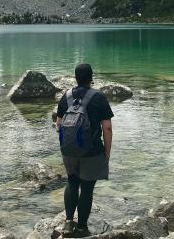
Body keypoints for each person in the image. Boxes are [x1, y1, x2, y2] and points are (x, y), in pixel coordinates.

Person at [55, 63, 113, 237]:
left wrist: (68, 145)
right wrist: (107, 151)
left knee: (72, 182)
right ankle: (81, 228)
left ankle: (68, 222)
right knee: (87, 188)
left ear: (75, 77)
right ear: (91, 78)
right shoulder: (99, 97)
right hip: (91, 152)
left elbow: (58, 124)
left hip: (69, 150)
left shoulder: (66, 96)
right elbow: (107, 128)